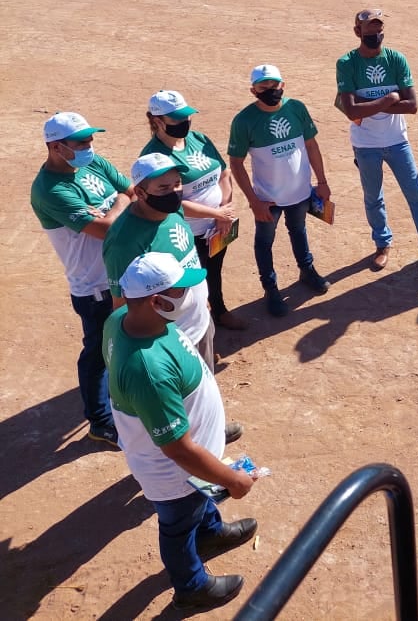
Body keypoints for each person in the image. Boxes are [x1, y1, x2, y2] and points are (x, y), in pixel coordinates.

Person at [104, 252, 258, 611]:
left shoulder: (121, 319)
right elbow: (181, 451)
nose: (193, 293)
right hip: (176, 475)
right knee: (177, 525)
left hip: (191, 468)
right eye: (183, 290)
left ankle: (209, 532)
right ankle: (192, 586)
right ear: (157, 301)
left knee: (195, 509)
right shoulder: (148, 370)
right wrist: (233, 480)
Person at [31, 112, 133, 446]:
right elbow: (106, 230)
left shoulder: (94, 164)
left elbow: (133, 192)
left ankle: (123, 404)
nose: (89, 146)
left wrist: (115, 205)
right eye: (81, 142)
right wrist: (119, 205)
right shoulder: (49, 189)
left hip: (124, 275)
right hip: (95, 287)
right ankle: (100, 421)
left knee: (127, 344)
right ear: (56, 147)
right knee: (98, 353)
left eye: (90, 139)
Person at [336, 8, 418, 272]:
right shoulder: (347, 63)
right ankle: (382, 244)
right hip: (365, 145)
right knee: (373, 197)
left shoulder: (396, 59)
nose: (375, 34)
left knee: (416, 194)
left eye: (379, 30)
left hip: (397, 142)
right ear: (358, 32)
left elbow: (412, 105)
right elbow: (351, 110)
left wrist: (372, 104)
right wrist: (390, 99)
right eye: (370, 30)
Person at [228, 65, 331, 316]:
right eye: (263, 87)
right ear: (253, 90)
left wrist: (322, 181)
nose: (270, 91)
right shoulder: (244, 121)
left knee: (299, 230)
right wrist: (254, 201)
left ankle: (307, 271)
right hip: (268, 199)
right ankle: (270, 288)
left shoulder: (296, 108)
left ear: (282, 85)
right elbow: (236, 163)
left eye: (274, 86)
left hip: (300, 192)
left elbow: (311, 145)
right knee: (265, 241)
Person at [141, 90, 245, 331]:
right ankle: (196, 331)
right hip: (187, 235)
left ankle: (219, 311)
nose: (185, 123)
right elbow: (170, 200)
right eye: (177, 119)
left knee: (214, 272)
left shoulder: (199, 139)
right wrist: (217, 215)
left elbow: (224, 173)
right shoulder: (154, 157)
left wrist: (225, 210)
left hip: (218, 227)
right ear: (157, 121)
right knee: (189, 286)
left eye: (186, 117)